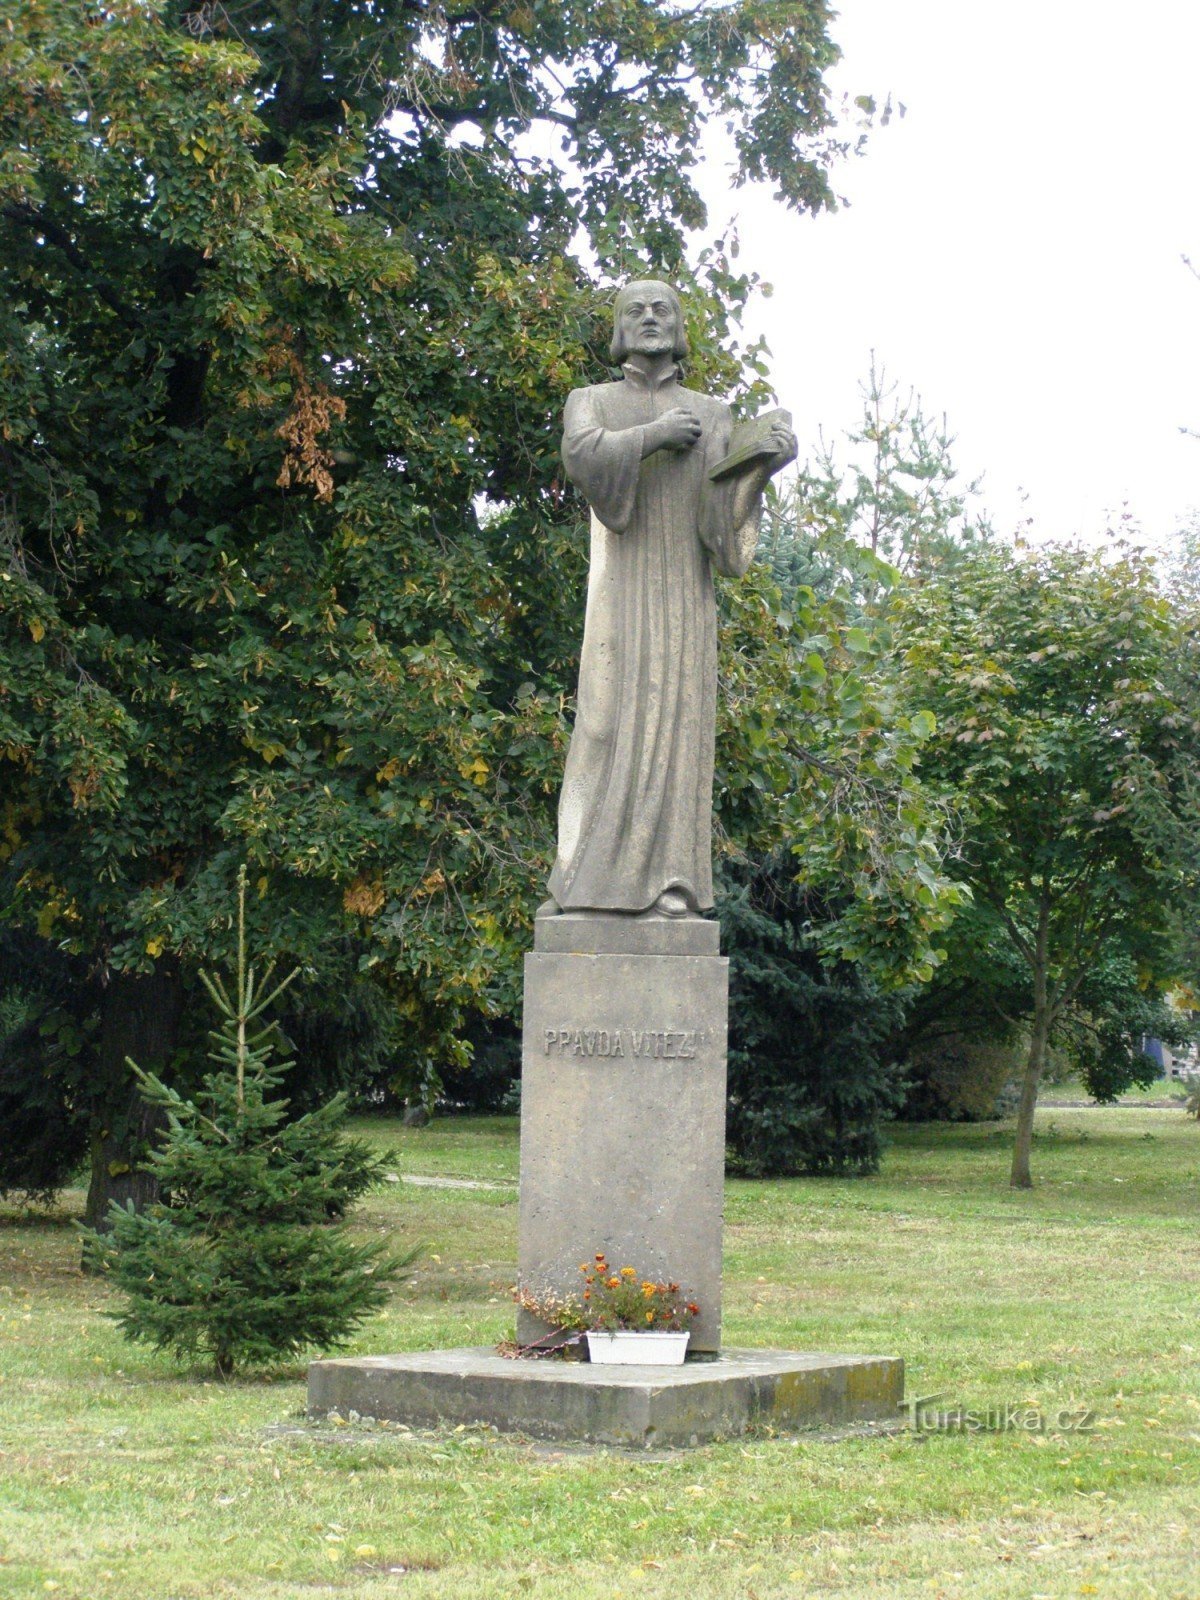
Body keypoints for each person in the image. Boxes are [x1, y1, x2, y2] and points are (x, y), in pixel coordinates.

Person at [543, 279, 796, 919]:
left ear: (679, 327)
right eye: (637, 310)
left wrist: (759, 467)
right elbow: (582, 456)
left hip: (684, 596)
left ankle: (672, 884)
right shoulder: (591, 400)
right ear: (620, 329)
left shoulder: (712, 412)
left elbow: (721, 531)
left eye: (663, 309)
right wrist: (654, 435)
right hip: (620, 593)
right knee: (602, 726)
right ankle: (576, 882)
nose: (650, 318)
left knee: (677, 732)